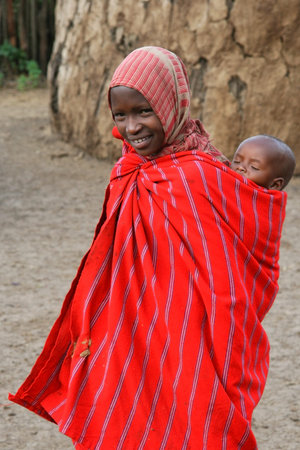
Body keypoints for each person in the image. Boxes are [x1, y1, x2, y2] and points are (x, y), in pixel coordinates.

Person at [9, 47, 288, 449]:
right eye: (120, 115)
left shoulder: (200, 176)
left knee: (192, 417)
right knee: (120, 410)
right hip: (127, 323)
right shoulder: (129, 167)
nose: (131, 126)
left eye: (144, 111)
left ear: (171, 104)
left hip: (188, 331)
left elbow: (234, 266)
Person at [231, 134, 295, 190]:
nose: (240, 167)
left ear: (274, 185)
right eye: (237, 161)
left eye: (254, 167)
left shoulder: (261, 203)